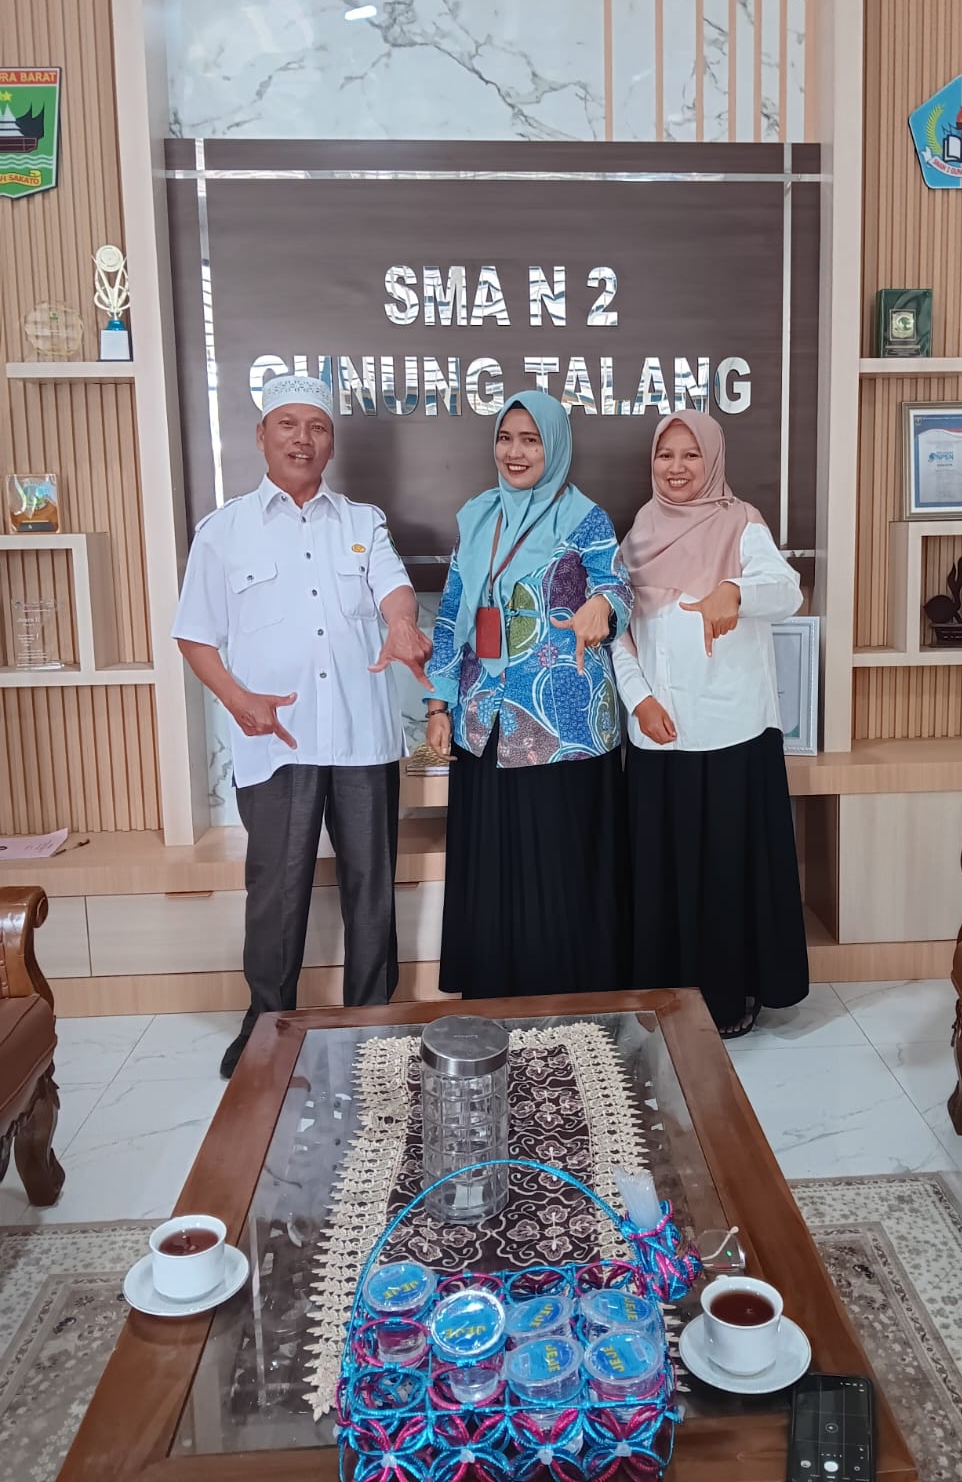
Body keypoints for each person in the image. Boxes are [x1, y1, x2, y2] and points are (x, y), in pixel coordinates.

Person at [172, 374, 433, 1077]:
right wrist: (236, 699)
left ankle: (372, 1021)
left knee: (371, 886)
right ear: (262, 436)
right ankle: (267, 1024)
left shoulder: (362, 522)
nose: (302, 439)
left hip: (360, 738)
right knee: (276, 891)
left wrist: (402, 623)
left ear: (331, 443)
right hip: (275, 739)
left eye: (316, 427)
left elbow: (394, 588)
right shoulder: (223, 531)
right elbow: (194, 634)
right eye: (287, 425)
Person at [425, 390, 633, 998]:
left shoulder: (585, 518)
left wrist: (602, 606)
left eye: (531, 440)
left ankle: (569, 1000)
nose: (515, 452)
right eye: (505, 438)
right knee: (495, 862)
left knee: (560, 863)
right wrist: (438, 704)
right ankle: (496, 998)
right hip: (485, 719)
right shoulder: (477, 517)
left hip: (563, 723)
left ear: (556, 446)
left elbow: (618, 585)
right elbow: (452, 615)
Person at [613, 410, 810, 1039]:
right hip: (659, 735)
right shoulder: (636, 538)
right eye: (665, 455)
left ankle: (727, 1000)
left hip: (731, 735)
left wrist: (734, 590)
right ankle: (664, 999)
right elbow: (620, 635)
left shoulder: (740, 523)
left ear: (713, 459)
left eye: (691, 454)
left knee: (725, 875)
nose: (676, 468)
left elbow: (786, 590)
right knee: (664, 878)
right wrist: (639, 700)